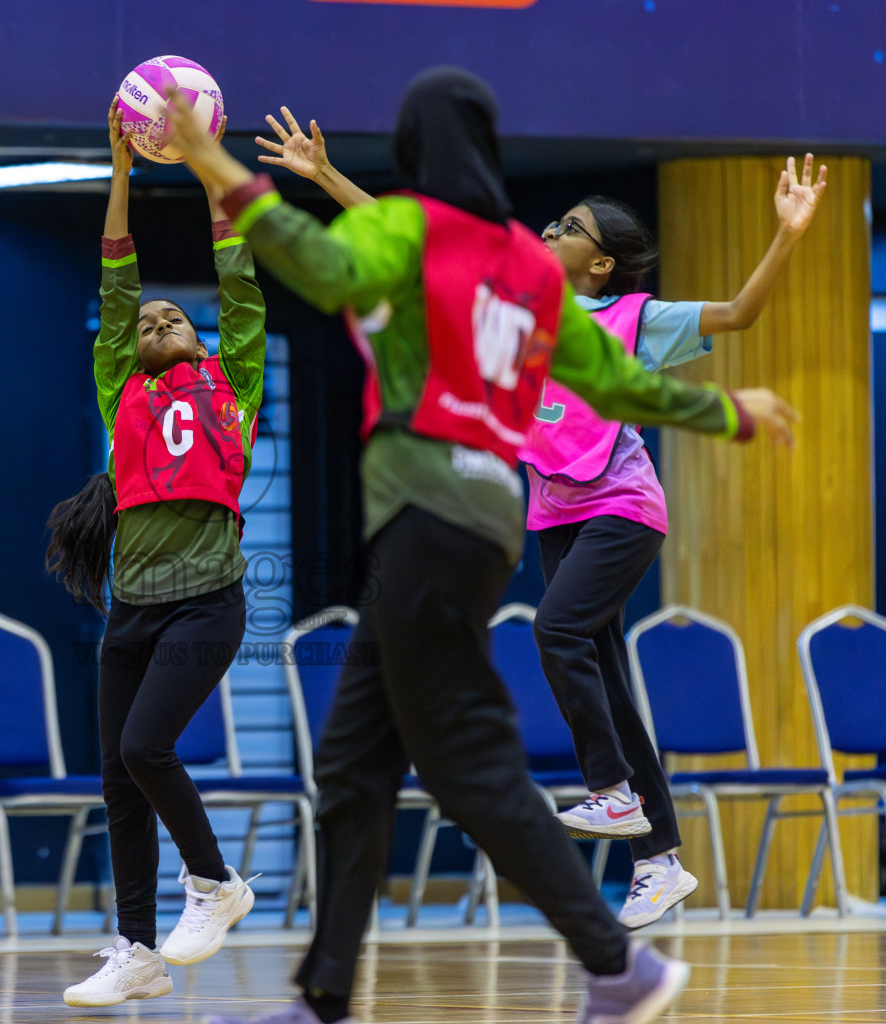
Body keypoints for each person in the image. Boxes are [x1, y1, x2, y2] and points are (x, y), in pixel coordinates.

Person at [166, 68, 797, 1024]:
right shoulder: (528, 267)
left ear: (415, 150)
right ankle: (325, 994)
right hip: (491, 520)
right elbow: (619, 386)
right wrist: (728, 414)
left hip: (427, 519)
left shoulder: (405, 229)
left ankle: (617, 962)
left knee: (469, 766)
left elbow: (319, 264)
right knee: (351, 769)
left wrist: (221, 167)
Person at [45, 99, 263, 1008]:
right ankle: (137, 951)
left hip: (208, 599)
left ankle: (216, 882)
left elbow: (239, 273)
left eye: (174, 315)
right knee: (117, 780)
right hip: (131, 606)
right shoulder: (119, 392)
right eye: (144, 321)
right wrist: (124, 174)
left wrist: (214, 170)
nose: (158, 318)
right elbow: (117, 281)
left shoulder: (234, 385)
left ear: (203, 338)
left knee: (147, 746)